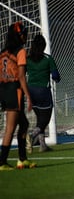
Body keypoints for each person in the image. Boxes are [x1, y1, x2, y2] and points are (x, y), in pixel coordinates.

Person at [0, 22, 36, 170]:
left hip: (4, 89)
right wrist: (29, 96)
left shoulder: (3, 52)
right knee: (10, 128)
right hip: (15, 90)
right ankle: (2, 162)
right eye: (24, 33)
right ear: (19, 35)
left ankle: (22, 159)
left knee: (24, 124)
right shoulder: (20, 51)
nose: (26, 36)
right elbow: (21, 76)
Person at [26, 34, 61, 153]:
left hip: (30, 91)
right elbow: (56, 76)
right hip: (43, 91)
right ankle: (31, 136)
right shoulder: (47, 58)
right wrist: (56, 78)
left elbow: (21, 73)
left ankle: (42, 145)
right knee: (45, 119)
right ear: (44, 45)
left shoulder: (28, 59)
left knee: (40, 119)